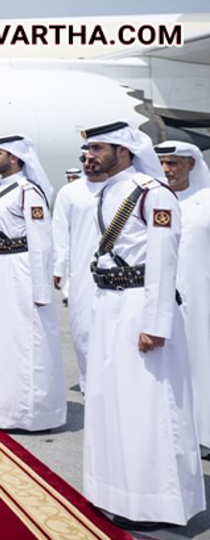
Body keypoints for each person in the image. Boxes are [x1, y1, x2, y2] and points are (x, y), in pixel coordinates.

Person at [82, 122, 205, 529]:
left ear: (124, 151)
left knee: (148, 408)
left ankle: (156, 504)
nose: (88, 157)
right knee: (111, 403)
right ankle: (115, 492)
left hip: (140, 310)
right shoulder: (107, 193)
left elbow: (163, 261)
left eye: (97, 149)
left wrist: (156, 323)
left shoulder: (153, 194)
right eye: (87, 150)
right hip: (109, 306)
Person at [0, 134, 65, 432]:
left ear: (16, 158)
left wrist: (42, 288)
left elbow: (41, 243)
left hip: (20, 270)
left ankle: (27, 412)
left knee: (24, 339)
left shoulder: (28, 192)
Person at [155, 140, 210, 456]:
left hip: (200, 298)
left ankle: (203, 433)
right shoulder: (155, 201)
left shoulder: (206, 200)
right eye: (163, 163)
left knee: (201, 362)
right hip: (163, 300)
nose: (167, 170)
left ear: (191, 164)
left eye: (173, 163)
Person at [51, 156, 107, 394]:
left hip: (124, 275)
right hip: (83, 273)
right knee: (82, 330)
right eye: (84, 157)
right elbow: (60, 233)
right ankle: (88, 384)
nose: (88, 161)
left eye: (94, 154)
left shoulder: (127, 189)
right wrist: (58, 269)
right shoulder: (70, 192)